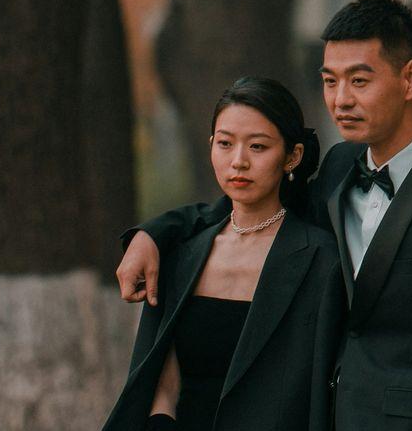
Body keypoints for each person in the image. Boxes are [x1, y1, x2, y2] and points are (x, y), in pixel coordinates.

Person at [117, 0, 412, 430]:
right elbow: (250, 206)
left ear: (410, 78)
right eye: (330, 81)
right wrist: (153, 234)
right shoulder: (337, 170)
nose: (341, 100)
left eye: (359, 81)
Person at [103, 77, 345, 431]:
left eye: (258, 147)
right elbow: (163, 384)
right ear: (211, 146)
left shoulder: (320, 261)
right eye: (225, 144)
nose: (238, 161)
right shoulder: (182, 256)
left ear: (292, 156)